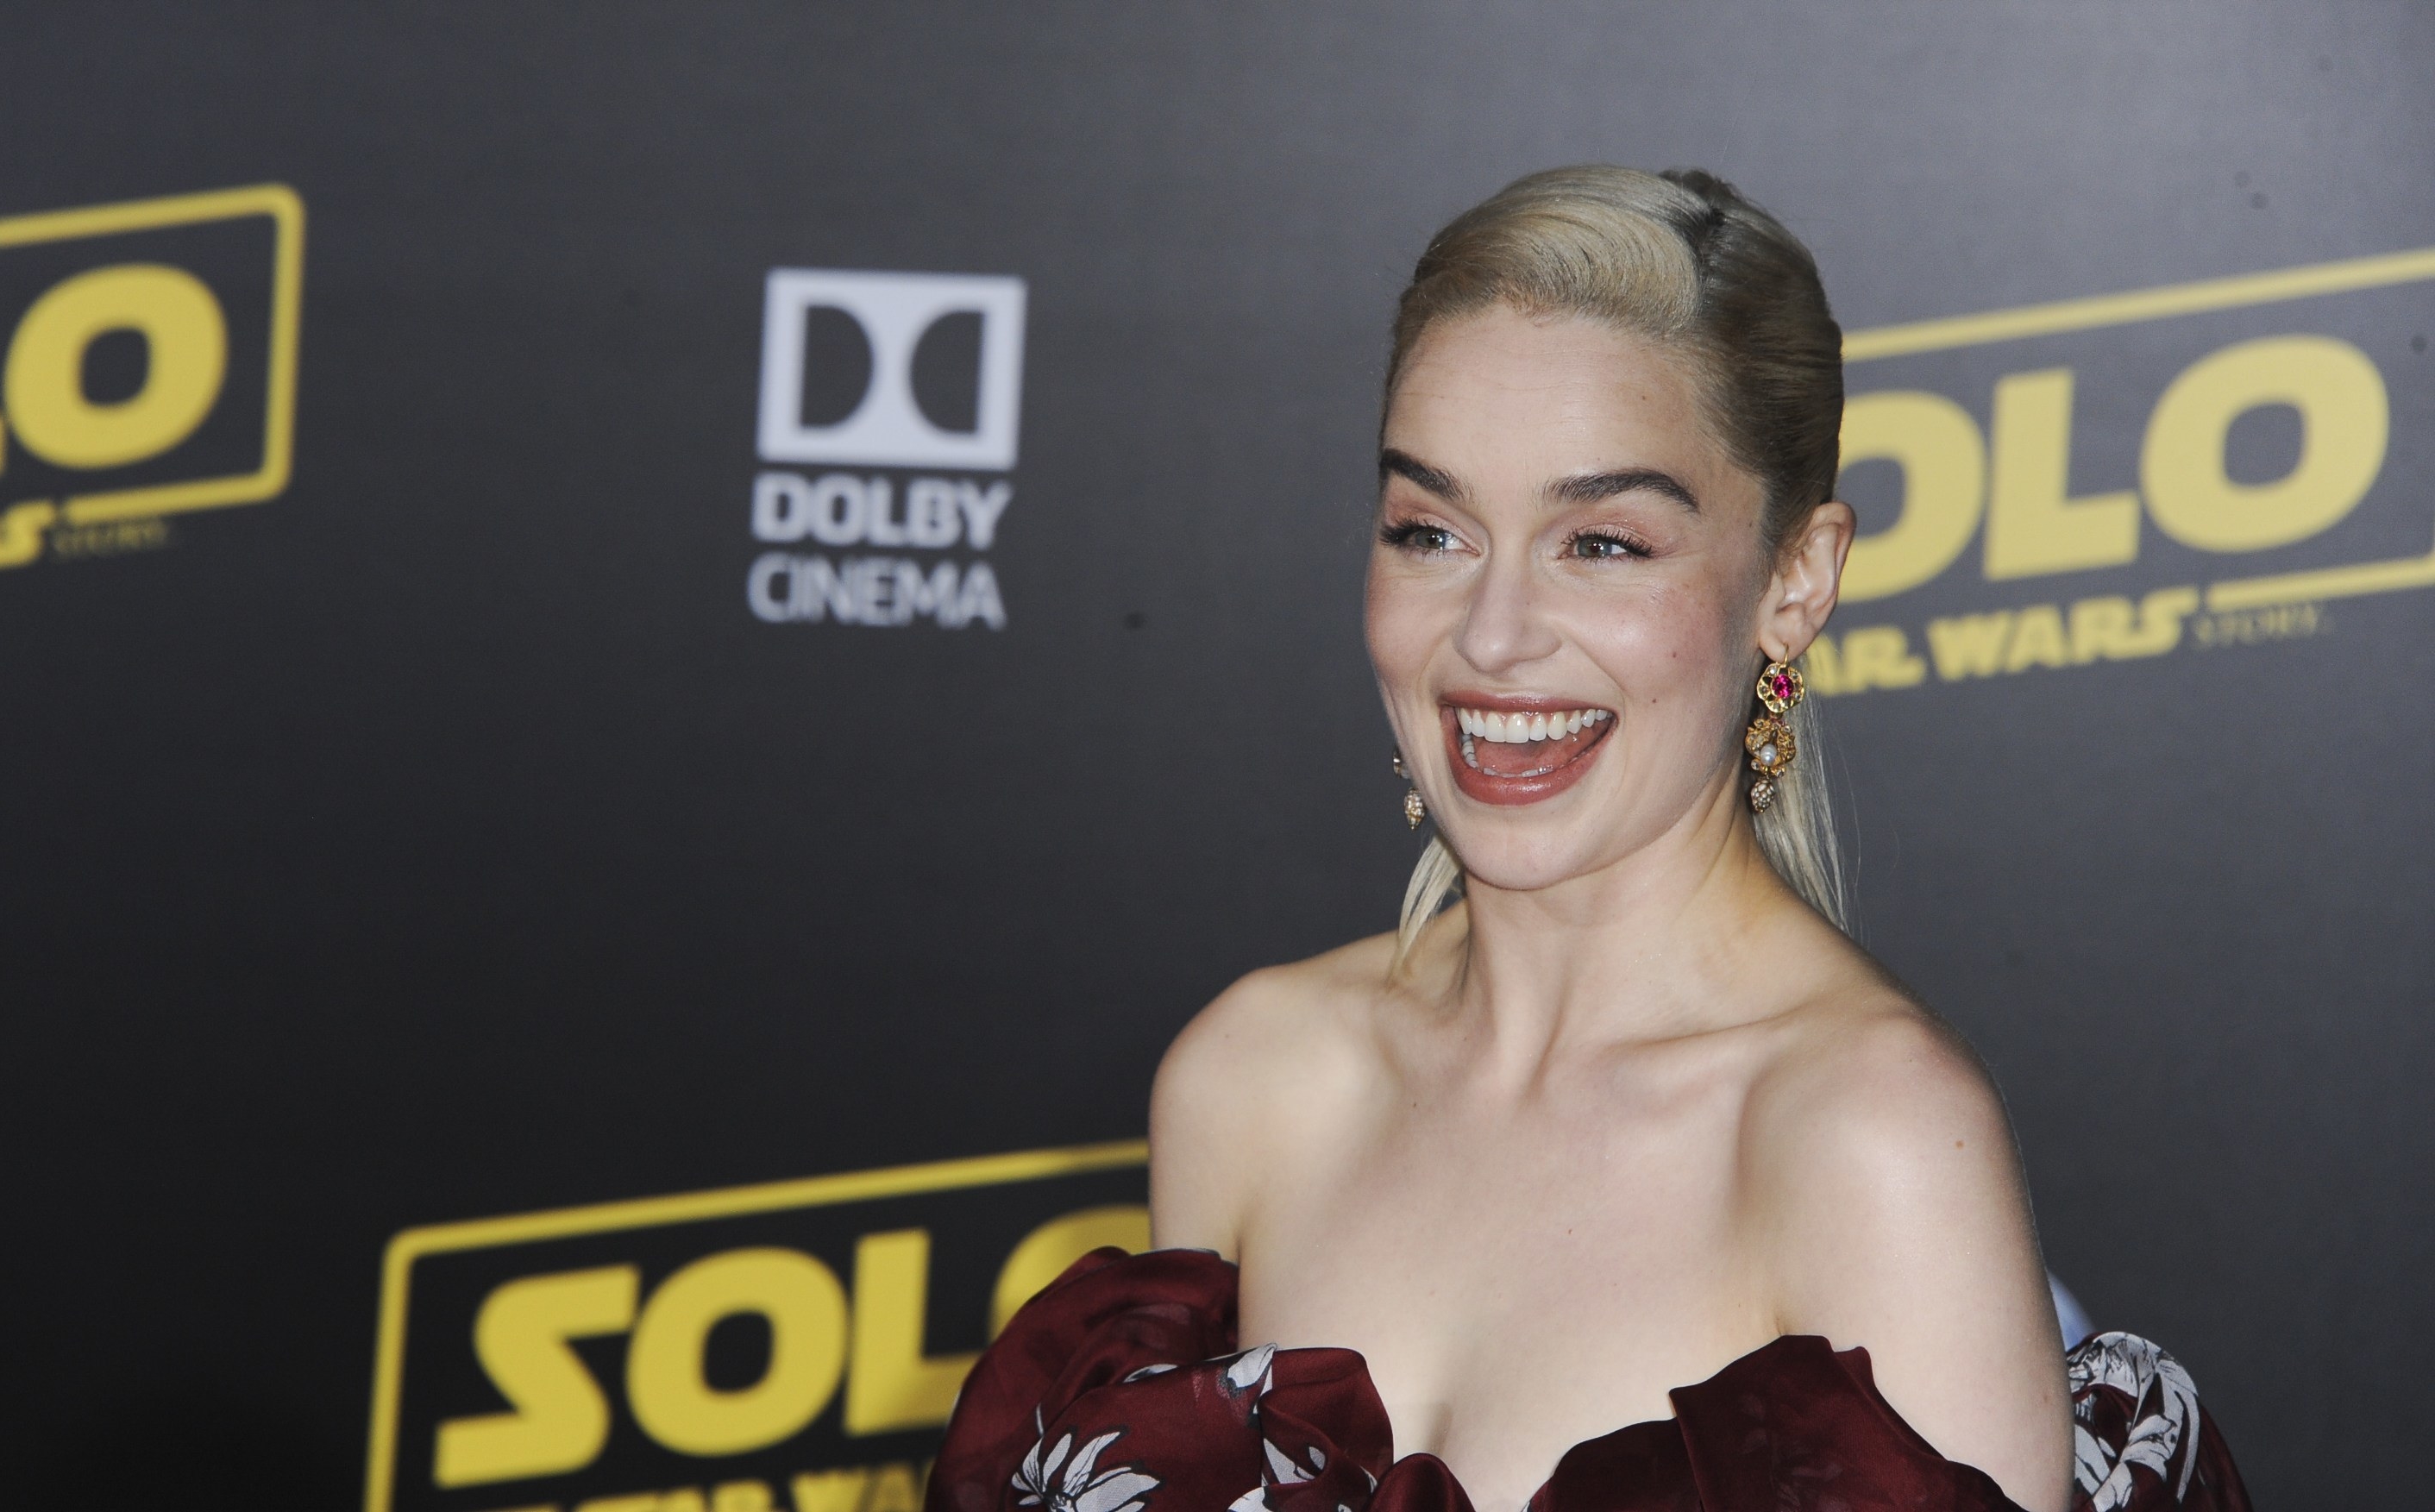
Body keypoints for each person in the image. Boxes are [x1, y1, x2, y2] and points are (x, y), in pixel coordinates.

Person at [926, 166, 2247, 1512]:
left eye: (1603, 544)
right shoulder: (1255, 1078)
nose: (1493, 635)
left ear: (1796, 581)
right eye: (1430, 530)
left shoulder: (1866, 1142)